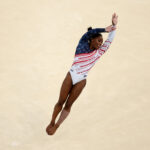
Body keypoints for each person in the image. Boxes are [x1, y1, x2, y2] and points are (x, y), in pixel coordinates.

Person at [46, 13, 118, 135]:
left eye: (101, 41)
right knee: (60, 102)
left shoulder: (99, 52)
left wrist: (115, 25)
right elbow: (87, 34)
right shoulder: (82, 46)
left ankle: (57, 125)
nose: (100, 44)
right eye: (99, 41)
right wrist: (104, 30)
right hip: (71, 75)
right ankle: (52, 121)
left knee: (69, 105)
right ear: (92, 40)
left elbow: (110, 40)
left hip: (81, 80)